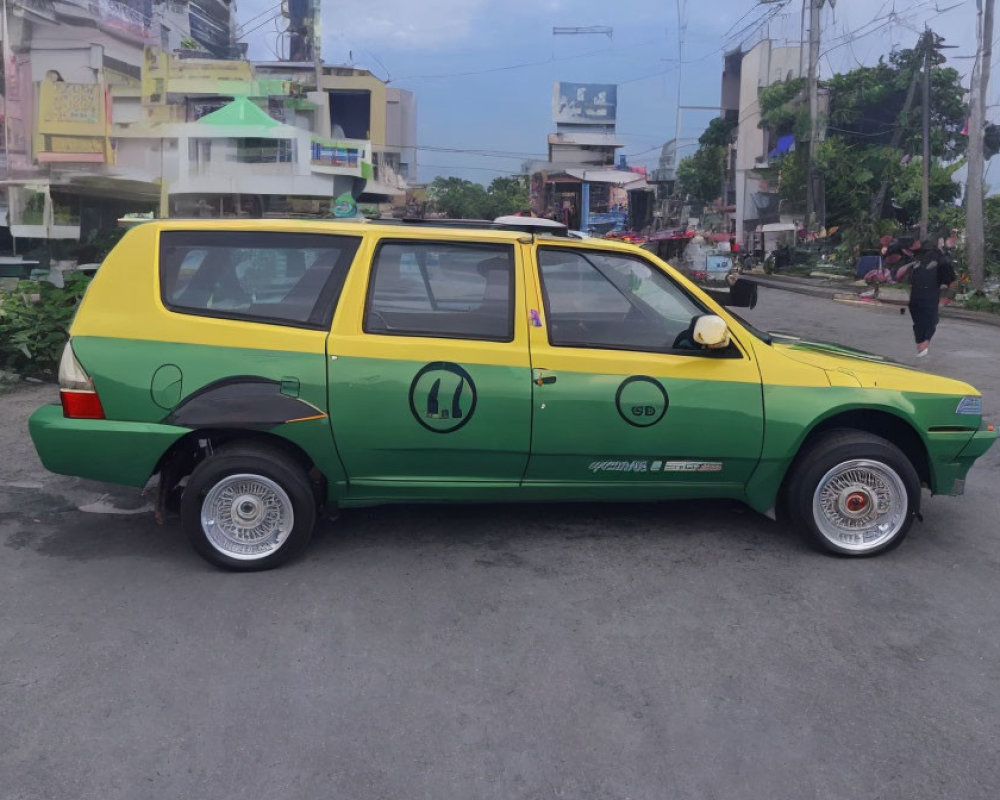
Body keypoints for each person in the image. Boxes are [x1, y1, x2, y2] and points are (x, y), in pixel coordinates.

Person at [893, 240, 957, 357]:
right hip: (924, 296)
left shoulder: (920, 258)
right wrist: (947, 296)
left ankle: (922, 346)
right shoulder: (922, 259)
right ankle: (923, 345)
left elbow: (950, 281)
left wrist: (946, 296)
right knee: (927, 321)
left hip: (921, 296)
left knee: (925, 321)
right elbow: (951, 281)